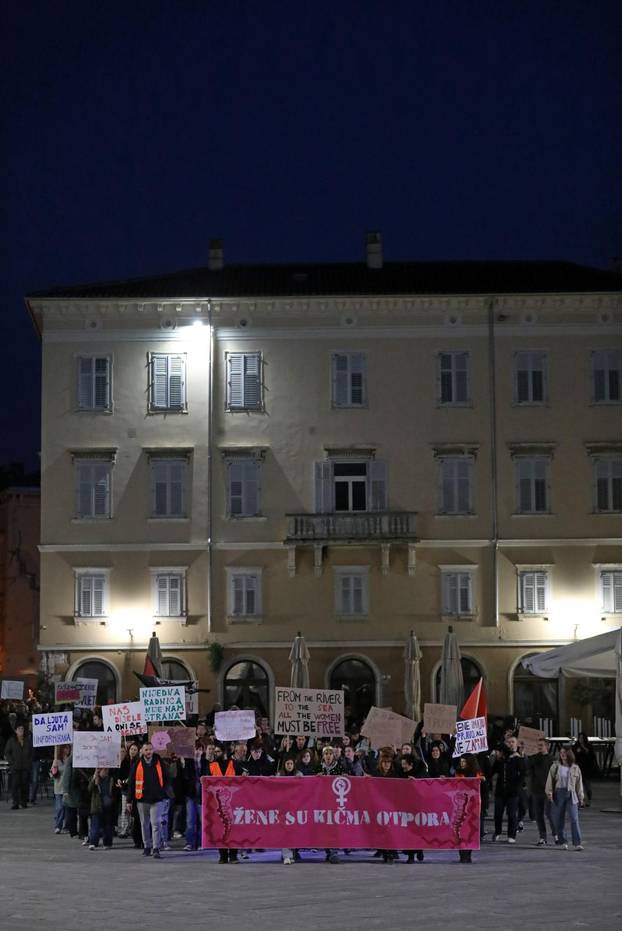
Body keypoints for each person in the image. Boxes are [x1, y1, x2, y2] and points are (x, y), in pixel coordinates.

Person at [126, 741, 169, 859]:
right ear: (142, 751)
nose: (148, 752)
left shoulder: (159, 762)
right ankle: (147, 846)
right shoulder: (137, 763)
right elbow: (131, 783)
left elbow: (166, 778)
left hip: (157, 799)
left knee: (155, 824)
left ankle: (156, 848)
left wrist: (164, 793)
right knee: (144, 824)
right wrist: (129, 800)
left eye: (150, 749)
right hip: (142, 799)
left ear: (153, 750)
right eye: (146, 750)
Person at [208, 744, 245, 863]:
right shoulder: (212, 765)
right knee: (220, 829)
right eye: (215, 751)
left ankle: (233, 855)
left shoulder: (234, 764)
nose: (215, 753)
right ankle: (223, 856)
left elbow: (243, 779)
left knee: (233, 829)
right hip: (216, 803)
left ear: (224, 753)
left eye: (217, 751)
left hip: (233, 802)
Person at [545, 746, 585, 851]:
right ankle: (563, 841)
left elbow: (579, 784)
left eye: (565, 752)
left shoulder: (575, 768)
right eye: (561, 752)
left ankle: (577, 843)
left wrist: (581, 797)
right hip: (559, 793)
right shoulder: (555, 766)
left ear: (569, 754)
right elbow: (550, 780)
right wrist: (549, 792)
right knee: (559, 819)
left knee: (574, 818)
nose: (562, 754)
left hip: (571, 794)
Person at [491, 736, 525, 844]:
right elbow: (492, 771)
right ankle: (497, 832)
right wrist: (494, 758)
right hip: (500, 791)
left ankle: (511, 834)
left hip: (512, 792)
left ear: (516, 744)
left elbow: (523, 773)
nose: (510, 744)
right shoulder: (501, 757)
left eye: (513, 742)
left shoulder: (518, 758)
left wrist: (520, 756)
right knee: (497, 813)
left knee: (511, 814)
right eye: (509, 742)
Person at [527, 737, 556, 846]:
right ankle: (542, 837)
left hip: (549, 791)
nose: (539, 747)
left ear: (547, 746)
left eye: (541, 745)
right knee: (538, 815)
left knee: (550, 814)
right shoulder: (533, 758)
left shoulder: (552, 759)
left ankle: (556, 834)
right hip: (536, 790)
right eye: (538, 745)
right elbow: (528, 769)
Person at [398, 753, 426, 863]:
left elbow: (427, 785)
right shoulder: (400, 773)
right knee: (407, 831)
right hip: (404, 806)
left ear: (411, 764)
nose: (403, 766)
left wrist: (416, 782)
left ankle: (418, 850)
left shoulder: (420, 773)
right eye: (402, 764)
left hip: (417, 806)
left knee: (416, 830)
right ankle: (411, 855)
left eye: (404, 764)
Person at [320, 746, 345, 863]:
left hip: (336, 801)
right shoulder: (319, 767)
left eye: (330, 753)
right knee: (324, 827)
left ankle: (334, 852)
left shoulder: (340, 766)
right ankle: (328, 851)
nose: (328, 756)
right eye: (326, 754)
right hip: (322, 802)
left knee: (334, 826)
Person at [375, 748, 399, 863]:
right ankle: (384, 851)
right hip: (379, 805)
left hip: (391, 805)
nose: (387, 764)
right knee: (382, 829)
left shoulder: (394, 774)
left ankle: (391, 851)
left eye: (389, 762)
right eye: (385, 762)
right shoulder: (377, 773)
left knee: (391, 828)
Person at [183, 741, 207, 851]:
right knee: (190, 821)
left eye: (199, 749)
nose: (197, 751)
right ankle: (189, 843)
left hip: (202, 796)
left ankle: (201, 842)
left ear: (202, 750)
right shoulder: (187, 761)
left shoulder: (205, 761)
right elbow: (185, 776)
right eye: (195, 749)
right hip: (191, 795)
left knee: (202, 821)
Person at [277, 755, 302, 864]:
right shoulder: (279, 775)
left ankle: (293, 852)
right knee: (284, 831)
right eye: (287, 764)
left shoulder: (299, 774)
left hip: (296, 807)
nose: (289, 766)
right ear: (284, 765)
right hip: (283, 807)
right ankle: (286, 855)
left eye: (291, 764)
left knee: (295, 831)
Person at [4, 723, 33, 809]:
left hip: (25, 766)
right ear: (16, 731)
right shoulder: (11, 740)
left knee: (24, 785)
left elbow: (32, 752)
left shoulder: (27, 740)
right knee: (15, 785)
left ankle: (23, 802)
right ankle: (15, 803)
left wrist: (29, 761)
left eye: (22, 729)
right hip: (15, 767)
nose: (21, 731)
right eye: (19, 729)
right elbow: (7, 752)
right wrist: (12, 762)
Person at [88, 768, 116, 849]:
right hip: (97, 806)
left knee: (108, 826)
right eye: (104, 770)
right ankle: (93, 842)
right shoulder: (94, 779)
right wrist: (94, 778)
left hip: (108, 806)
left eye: (107, 770)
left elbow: (113, 791)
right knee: (95, 826)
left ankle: (107, 843)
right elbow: (89, 789)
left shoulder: (111, 779)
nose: (106, 772)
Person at [573, 733, 598, 807]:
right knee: (579, 786)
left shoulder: (588, 746)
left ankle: (589, 800)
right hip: (578, 767)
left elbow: (592, 756)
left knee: (587, 785)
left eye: (582, 738)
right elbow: (573, 755)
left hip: (587, 768)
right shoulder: (576, 746)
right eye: (579, 737)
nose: (581, 739)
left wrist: (584, 748)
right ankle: (581, 801)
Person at [50, 745, 69, 833]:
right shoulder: (57, 761)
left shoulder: (70, 760)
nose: (67, 750)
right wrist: (54, 767)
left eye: (68, 748)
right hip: (58, 787)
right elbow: (52, 775)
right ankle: (58, 825)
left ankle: (66, 826)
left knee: (67, 808)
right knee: (59, 808)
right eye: (65, 748)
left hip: (67, 788)